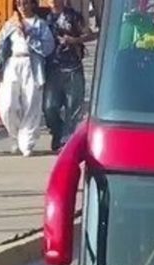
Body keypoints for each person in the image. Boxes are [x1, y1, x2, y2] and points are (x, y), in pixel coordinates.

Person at [0, 0, 55, 157]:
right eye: (19, 3)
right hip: (13, 63)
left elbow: (48, 47)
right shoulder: (11, 24)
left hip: (32, 64)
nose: (22, 6)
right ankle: (15, 135)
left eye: (25, 3)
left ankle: (27, 142)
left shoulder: (40, 24)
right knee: (8, 103)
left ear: (32, 4)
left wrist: (29, 37)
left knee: (31, 103)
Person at [44, 0, 95, 152]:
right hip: (52, 69)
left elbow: (91, 34)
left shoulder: (72, 16)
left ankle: (66, 142)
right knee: (49, 107)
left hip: (73, 67)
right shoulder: (43, 18)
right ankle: (58, 132)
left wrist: (76, 40)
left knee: (73, 107)